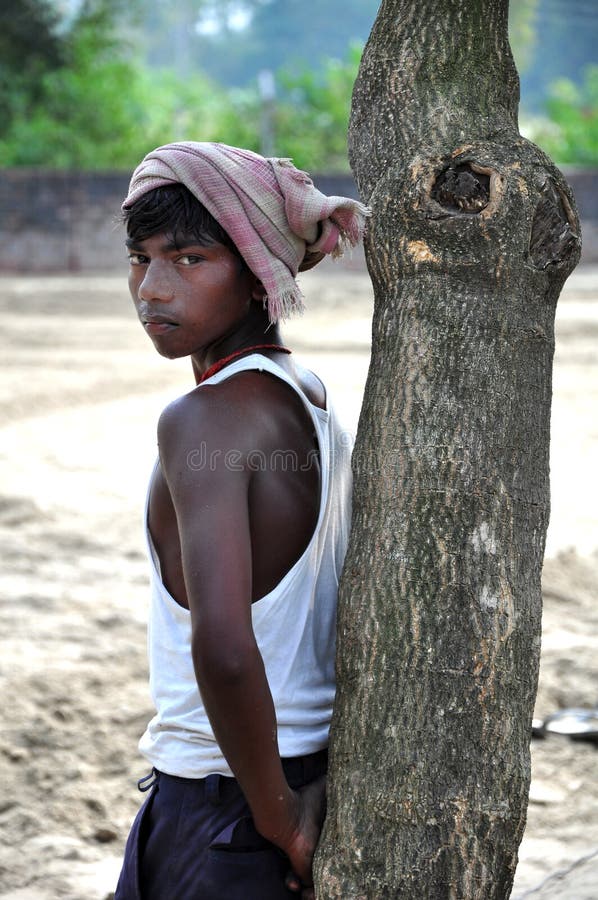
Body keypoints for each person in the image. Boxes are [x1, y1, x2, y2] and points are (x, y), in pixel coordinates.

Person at [114, 142, 369, 900]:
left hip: (230, 800)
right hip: (292, 772)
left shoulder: (206, 419)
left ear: (258, 270)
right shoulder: (304, 390)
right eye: (141, 258)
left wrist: (282, 823)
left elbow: (225, 649)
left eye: (189, 258)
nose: (152, 289)